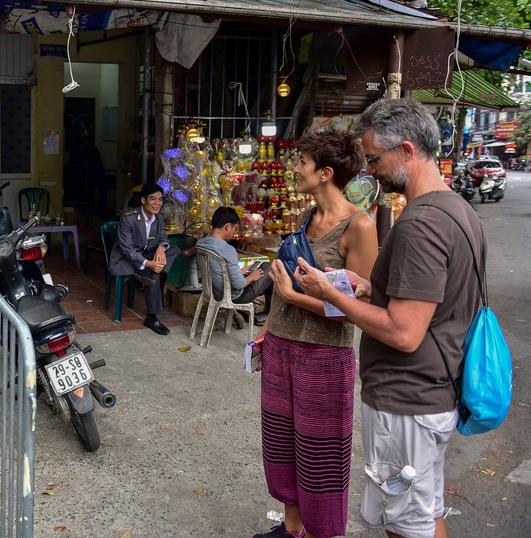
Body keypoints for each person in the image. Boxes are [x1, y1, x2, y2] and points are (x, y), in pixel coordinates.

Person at [294, 99, 485, 538]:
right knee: (425, 513)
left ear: (406, 150)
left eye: (374, 159)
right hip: (433, 391)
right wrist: (367, 287)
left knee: (406, 525)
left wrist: (331, 295)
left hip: (407, 400)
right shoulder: (457, 210)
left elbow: (404, 332)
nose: (370, 172)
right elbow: (436, 300)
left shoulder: (421, 224)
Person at [250, 127, 378, 538]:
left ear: (324, 172)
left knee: (320, 454)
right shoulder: (307, 217)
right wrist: (268, 329)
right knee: (282, 443)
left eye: (302, 162)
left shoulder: (359, 226)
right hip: (282, 347)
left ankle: (322, 532)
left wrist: (292, 294)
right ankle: (292, 528)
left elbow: (356, 311)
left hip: (323, 357)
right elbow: (286, 287)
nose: (295, 168)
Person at [108, 181, 180, 335]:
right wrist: (148, 263)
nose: (157, 203)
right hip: (127, 259)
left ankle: (152, 272)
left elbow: (163, 237)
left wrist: (161, 248)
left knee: (174, 250)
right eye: (153, 199)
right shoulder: (129, 218)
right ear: (143, 200)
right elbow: (126, 250)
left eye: (160, 199)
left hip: (147, 255)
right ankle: (151, 317)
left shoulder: (159, 218)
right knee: (154, 273)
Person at [195, 206, 272, 329]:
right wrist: (251, 277)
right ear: (228, 226)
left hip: (213, 292)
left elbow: (219, 270)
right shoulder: (227, 249)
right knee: (270, 269)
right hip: (234, 296)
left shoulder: (201, 243)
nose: (234, 233)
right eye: (235, 229)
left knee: (264, 272)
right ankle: (271, 320)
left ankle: (268, 316)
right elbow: (239, 284)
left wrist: (240, 272)